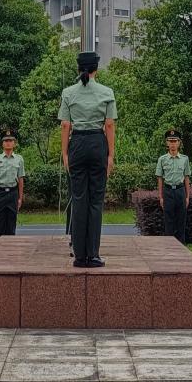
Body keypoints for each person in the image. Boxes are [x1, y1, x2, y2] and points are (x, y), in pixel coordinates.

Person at [59, 49, 116, 268]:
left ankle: (79, 256)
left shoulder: (68, 93)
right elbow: (109, 125)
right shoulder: (106, 92)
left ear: (78, 68)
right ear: (96, 69)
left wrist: (65, 153)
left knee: (79, 199)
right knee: (95, 201)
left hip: (77, 143)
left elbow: (65, 125)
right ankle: (93, 255)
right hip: (97, 143)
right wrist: (110, 155)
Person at [155, 129, 191, 244]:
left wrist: (187, 197)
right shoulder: (162, 159)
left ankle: (182, 247)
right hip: (168, 191)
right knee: (168, 221)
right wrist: (161, 197)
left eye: (175, 141)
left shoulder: (185, 159)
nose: (173, 144)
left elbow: (186, 177)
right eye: (170, 141)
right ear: (167, 143)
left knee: (181, 221)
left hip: (180, 191)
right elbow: (160, 178)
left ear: (179, 143)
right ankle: (169, 247)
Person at [0, 130, 25, 237]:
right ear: (2, 144)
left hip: (13, 193)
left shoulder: (19, 159)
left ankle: (10, 246)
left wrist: (20, 198)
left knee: (11, 224)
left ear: (14, 143)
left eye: (10, 140)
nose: (8, 143)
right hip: (0, 193)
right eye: (6, 141)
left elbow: (21, 179)